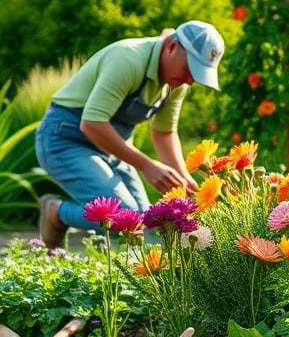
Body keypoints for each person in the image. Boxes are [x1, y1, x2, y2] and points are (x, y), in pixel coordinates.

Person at [36, 20, 225, 247]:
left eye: (197, 75)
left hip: (112, 148)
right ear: (171, 47)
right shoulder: (129, 59)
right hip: (63, 140)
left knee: (144, 220)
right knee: (124, 220)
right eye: (190, 69)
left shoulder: (176, 83)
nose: (190, 80)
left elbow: (164, 132)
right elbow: (92, 123)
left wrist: (184, 179)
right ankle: (56, 212)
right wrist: (147, 165)